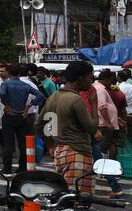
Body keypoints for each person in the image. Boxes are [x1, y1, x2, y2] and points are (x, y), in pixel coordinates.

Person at [40, 60, 99, 194]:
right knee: (79, 201)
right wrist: (94, 103)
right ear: (80, 79)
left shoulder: (54, 97)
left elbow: (42, 125)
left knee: (65, 197)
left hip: (60, 152)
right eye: (90, 78)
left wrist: (50, 146)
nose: (91, 82)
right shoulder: (76, 100)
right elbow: (92, 128)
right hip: (78, 153)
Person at [0, 63, 44, 174]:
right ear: (19, 73)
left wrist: (7, 105)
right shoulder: (25, 85)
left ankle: (7, 167)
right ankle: (22, 167)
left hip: (9, 115)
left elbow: (2, 94)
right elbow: (41, 96)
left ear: (9, 73)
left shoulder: (5, 84)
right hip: (22, 115)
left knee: (8, 144)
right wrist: (29, 105)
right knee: (22, 144)